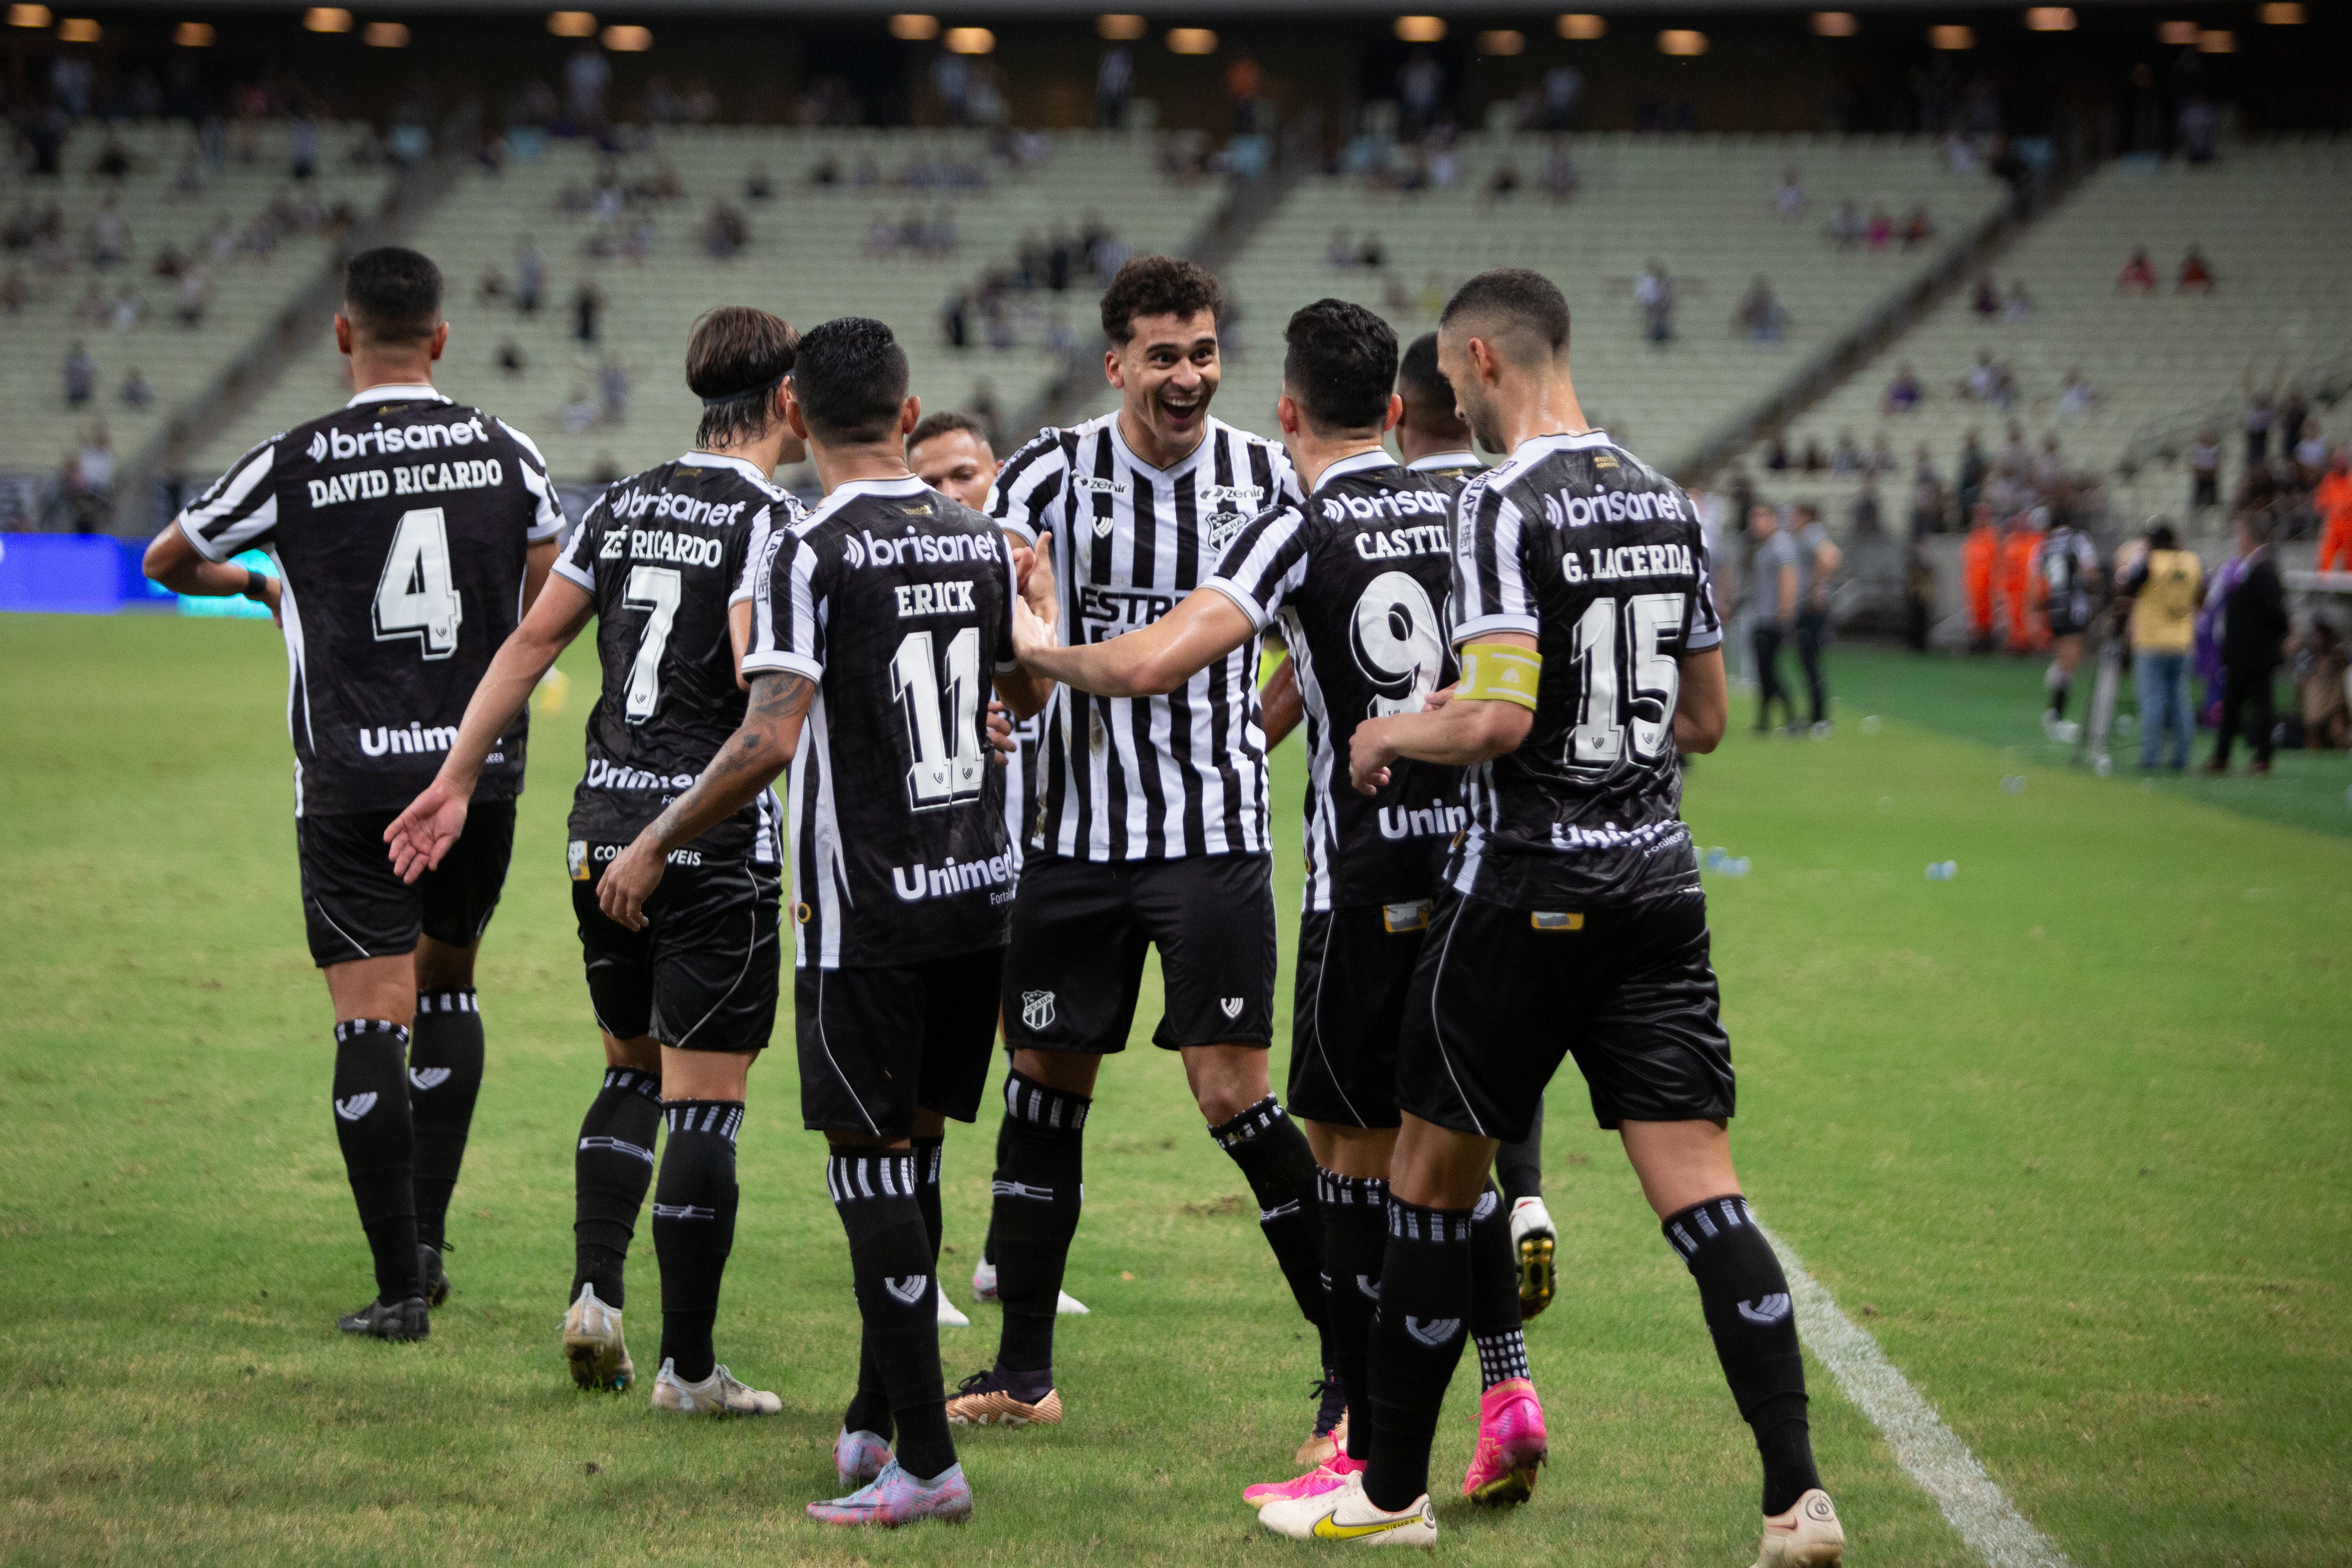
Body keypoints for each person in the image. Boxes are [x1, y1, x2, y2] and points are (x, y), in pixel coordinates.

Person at [1260, 267, 1844, 1565]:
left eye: (1453, 380)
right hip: (1659, 888)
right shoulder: (1663, 495)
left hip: (1524, 887)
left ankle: (1390, 1488)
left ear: (1479, 359)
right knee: (1704, 1193)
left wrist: (1389, 732)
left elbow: (1501, 716)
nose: (1448, 399)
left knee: (1424, 1172)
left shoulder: (1498, 500)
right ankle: (1796, 1496)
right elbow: (1704, 718)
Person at [1005, 300, 1549, 1513]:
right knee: (1448, 1151)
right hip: (1486, 873)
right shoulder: (1469, 507)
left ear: (1286, 410)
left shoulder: (1289, 522)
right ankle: (1506, 1389)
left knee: (1356, 1170)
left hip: (1357, 887)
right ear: (1398, 412)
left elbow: (1151, 663)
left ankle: (1364, 1447)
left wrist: (1041, 650)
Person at [597, 316, 1052, 1527]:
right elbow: (1021, 686)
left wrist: (651, 839)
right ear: (909, 418)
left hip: (870, 911)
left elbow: (769, 734)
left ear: (791, 414)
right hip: (977, 890)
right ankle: (871, 1419)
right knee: (914, 1152)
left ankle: (924, 1462)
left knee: (865, 1168)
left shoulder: (805, 545)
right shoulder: (977, 538)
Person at [141, 247, 566, 1340]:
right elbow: (547, 601)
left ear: (341, 336)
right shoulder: (503, 450)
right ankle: (429, 1238)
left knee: (367, 1016)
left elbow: (165, 557)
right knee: (453, 984)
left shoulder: (295, 458)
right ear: (440, 338)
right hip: (475, 771)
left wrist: (255, 583)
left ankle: (395, 1292)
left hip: (351, 778)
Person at [948, 256, 1333, 1459]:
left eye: (1204, 352)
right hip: (1068, 835)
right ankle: (1021, 1373)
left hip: (1209, 837)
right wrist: (1018, 663)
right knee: (1042, 1082)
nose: (1187, 377)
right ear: (1114, 360)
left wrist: (1241, 732)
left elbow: (1309, 652)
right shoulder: (1051, 470)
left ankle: (1350, 1363)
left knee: (1230, 1089)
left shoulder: (1265, 476)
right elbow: (995, 614)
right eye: (1163, 355)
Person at [385, 307, 805, 1406]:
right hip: (704, 836)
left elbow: (530, 642)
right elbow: (763, 692)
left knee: (627, 1065)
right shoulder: (775, 522)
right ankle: (691, 1369)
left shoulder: (620, 502)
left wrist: (458, 775)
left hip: (598, 826)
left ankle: (595, 1295)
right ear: (789, 401)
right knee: (705, 1098)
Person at [906, 409, 1090, 1329]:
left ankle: (1007, 1261)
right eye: (932, 480)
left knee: (1042, 1064)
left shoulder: (1034, 578)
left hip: (1046, 861)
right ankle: (922, 1274)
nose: (951, 495)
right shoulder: (914, 582)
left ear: (997, 478)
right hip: (951, 873)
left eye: (965, 475)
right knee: (936, 1079)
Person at [2117, 522, 2202, 770]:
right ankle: (2182, 757)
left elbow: (2128, 585)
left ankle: (2152, 757)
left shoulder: (2148, 563)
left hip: (2151, 641)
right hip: (2182, 641)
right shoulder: (2191, 562)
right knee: (2180, 701)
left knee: (2152, 700)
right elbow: (2200, 594)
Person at [2207, 512, 2287, 775]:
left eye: (2242, 535)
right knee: (2233, 706)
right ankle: (2223, 756)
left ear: (2251, 537)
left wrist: (2264, 640)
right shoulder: (2251, 568)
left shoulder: (2263, 569)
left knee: (2260, 706)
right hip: (2245, 653)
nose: (2239, 540)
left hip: (2254, 654)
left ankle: (2260, 758)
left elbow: (2274, 612)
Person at [2032, 511, 2101, 741]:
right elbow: (2090, 573)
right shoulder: (2077, 541)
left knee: (2067, 659)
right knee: (2069, 662)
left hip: (2055, 607)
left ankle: (2056, 692)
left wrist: (2033, 614)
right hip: (2074, 607)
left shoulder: (2044, 546)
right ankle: (2056, 716)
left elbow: (2035, 583)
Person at [1790, 503, 1840, 733]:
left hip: (1811, 609)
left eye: (1796, 515)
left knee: (1810, 661)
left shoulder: (1811, 534)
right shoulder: (1810, 535)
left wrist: (1815, 586)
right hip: (1810, 607)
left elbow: (1830, 557)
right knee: (1808, 662)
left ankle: (1820, 717)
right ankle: (1816, 714)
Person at [1749, 504, 1799, 731]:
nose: (1755, 522)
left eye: (1760, 517)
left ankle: (1791, 716)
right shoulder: (1766, 546)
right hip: (1762, 616)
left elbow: (1789, 580)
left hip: (1771, 619)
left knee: (1770, 672)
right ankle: (1765, 721)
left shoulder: (1780, 545)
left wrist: (1784, 616)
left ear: (1772, 519)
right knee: (1764, 671)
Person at [1999, 507, 2044, 656]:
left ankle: (2037, 649)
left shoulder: (2037, 541)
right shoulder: (2010, 543)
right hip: (2014, 594)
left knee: (2036, 622)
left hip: (2031, 591)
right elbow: (2004, 570)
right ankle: (2019, 649)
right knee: (2016, 624)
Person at [2316, 449, 2352, 573]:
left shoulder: (2351, 480)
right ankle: (2323, 585)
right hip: (2334, 528)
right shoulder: (2329, 481)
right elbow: (2321, 504)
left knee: (2350, 559)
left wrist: (2345, 507)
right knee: (2326, 556)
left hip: (2350, 529)